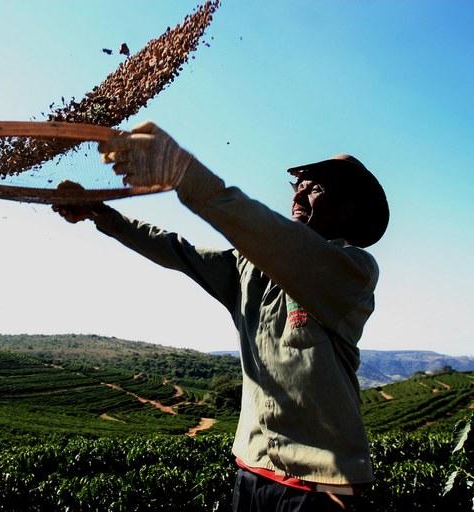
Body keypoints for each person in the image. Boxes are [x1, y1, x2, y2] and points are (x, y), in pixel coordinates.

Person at [53, 121, 389, 511]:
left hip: (320, 488)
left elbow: (274, 239)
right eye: (299, 184)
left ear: (350, 209)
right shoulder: (249, 268)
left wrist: (185, 174)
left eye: (316, 187)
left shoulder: (352, 272)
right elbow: (179, 251)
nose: (300, 191)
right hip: (253, 470)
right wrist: (101, 214)